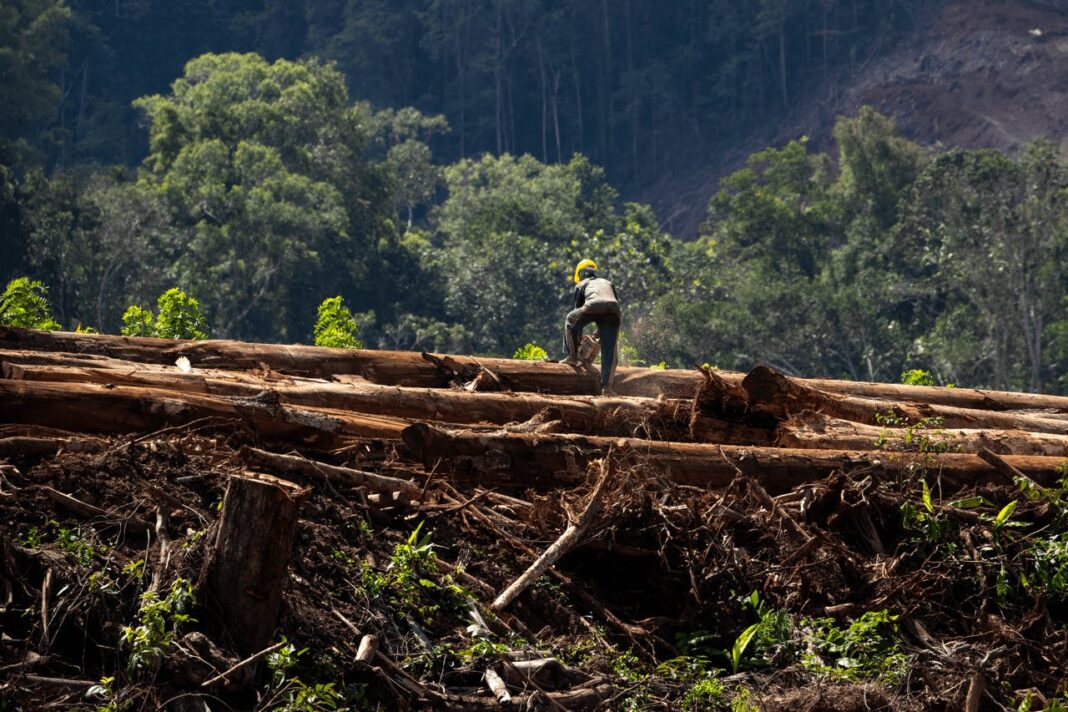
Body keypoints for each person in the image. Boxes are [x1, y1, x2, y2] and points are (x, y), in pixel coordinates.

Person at [561, 258, 621, 394]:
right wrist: (597, 335)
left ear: (580, 274)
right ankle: (607, 388)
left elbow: (577, 317)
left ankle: (572, 357)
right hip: (614, 310)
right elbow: (610, 305)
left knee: (570, 319)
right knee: (609, 350)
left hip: (593, 305)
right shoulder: (608, 282)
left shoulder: (581, 284)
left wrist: (578, 342)